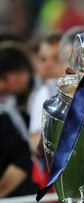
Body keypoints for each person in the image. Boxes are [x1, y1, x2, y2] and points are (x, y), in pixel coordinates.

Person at [0, 43, 39, 197]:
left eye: (4, 78)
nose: (1, 85)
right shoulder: (11, 101)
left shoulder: (42, 96)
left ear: (22, 74)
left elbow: (22, 159)